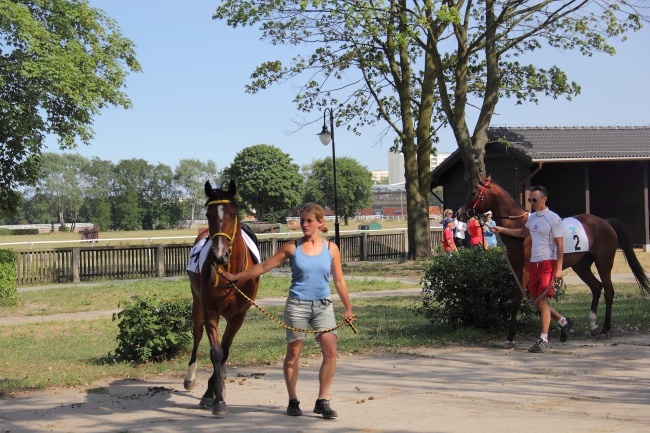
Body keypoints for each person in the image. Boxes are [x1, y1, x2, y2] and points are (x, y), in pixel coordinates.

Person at [220, 203, 354, 419]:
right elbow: (264, 267)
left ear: (321, 223)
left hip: (323, 306)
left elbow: (339, 280)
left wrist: (348, 308)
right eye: (302, 220)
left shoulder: (331, 249)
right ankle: (293, 401)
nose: (304, 224)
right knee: (293, 354)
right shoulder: (292, 247)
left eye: (309, 220)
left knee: (330, 352)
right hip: (297, 306)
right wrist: (236, 277)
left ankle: (322, 401)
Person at [490, 186, 573, 353]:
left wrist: (558, 268)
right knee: (535, 302)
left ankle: (543, 339)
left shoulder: (553, 219)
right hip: (533, 263)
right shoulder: (533, 217)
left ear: (544, 199)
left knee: (542, 301)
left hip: (547, 263)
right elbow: (522, 232)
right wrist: (501, 229)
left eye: (534, 200)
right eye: (530, 200)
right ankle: (563, 321)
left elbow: (560, 245)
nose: (532, 203)